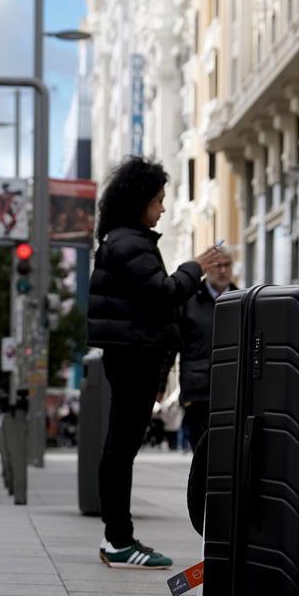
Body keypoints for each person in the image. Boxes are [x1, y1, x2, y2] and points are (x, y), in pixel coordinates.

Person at [88, 156, 222, 569]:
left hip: (132, 353)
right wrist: (194, 268)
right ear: (140, 200)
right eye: (158, 199)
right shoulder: (130, 243)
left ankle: (118, 537)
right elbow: (162, 293)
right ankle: (118, 539)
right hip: (134, 355)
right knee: (121, 447)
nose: (163, 208)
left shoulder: (123, 239)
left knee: (121, 446)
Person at [177, 247, 237, 455]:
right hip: (198, 390)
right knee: (201, 451)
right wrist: (160, 384)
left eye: (227, 265)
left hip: (232, 389)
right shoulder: (189, 302)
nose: (223, 271)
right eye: (217, 265)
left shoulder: (243, 300)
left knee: (227, 452)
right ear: (207, 268)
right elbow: (173, 343)